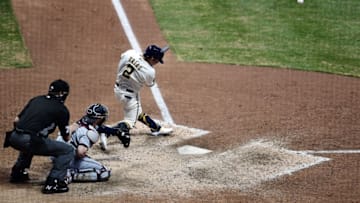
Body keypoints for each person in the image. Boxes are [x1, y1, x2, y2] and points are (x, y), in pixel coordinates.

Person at [4, 79, 75, 194]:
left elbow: (16, 120)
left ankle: (18, 173)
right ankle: (54, 183)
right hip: (28, 141)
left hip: (13, 137)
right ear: (62, 94)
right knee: (67, 150)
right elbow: (66, 137)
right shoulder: (61, 109)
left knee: (34, 139)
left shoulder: (36, 99)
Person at [113, 44, 173, 138]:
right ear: (152, 58)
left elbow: (122, 56)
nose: (157, 62)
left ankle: (156, 128)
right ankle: (107, 132)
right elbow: (150, 84)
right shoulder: (149, 71)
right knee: (129, 122)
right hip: (130, 95)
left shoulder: (131, 53)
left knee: (137, 112)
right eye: (157, 60)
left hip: (117, 89)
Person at [58, 103, 129, 182]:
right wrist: (83, 155)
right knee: (103, 173)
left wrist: (116, 132)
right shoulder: (89, 133)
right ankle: (69, 173)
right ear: (98, 119)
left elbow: (100, 128)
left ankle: (62, 167)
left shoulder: (82, 122)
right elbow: (80, 152)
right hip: (67, 159)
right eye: (103, 118)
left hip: (57, 154)